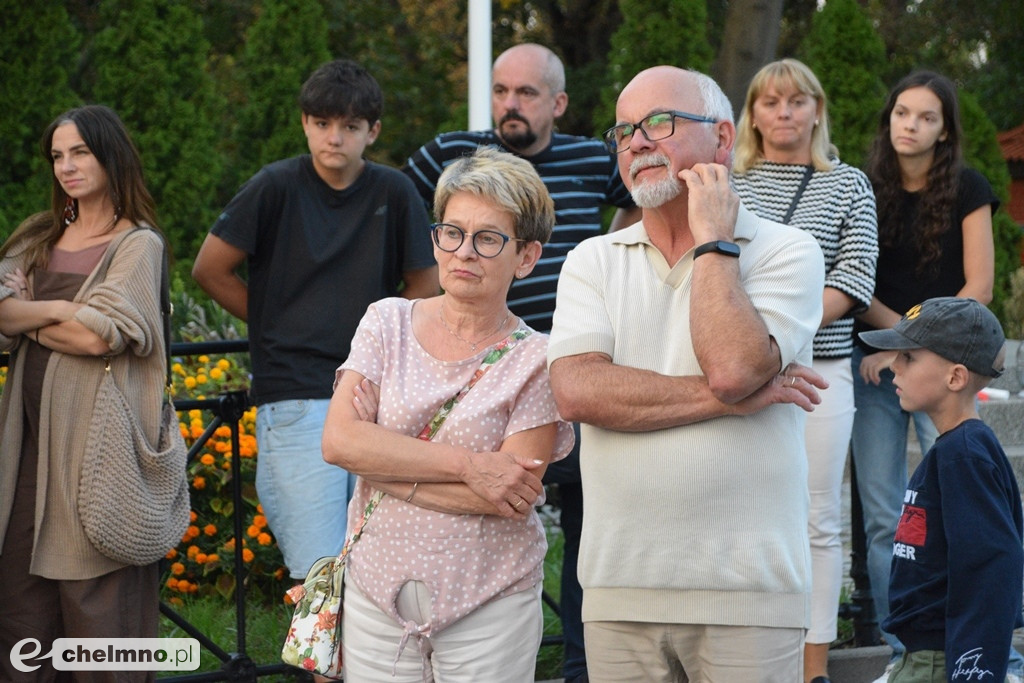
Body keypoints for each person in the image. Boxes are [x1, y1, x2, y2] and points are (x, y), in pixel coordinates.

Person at [548, 65, 827, 682]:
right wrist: (733, 402)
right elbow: (576, 391)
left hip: (749, 591)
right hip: (619, 590)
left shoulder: (788, 251)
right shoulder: (591, 260)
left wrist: (714, 242)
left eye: (659, 123)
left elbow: (732, 367)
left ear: (723, 140)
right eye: (623, 131)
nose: (637, 142)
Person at [403, 42, 640, 682]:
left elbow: (643, 199)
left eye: (527, 93)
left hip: (570, 364)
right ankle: (472, 637)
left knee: (589, 522)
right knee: (499, 502)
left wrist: (613, 256)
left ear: (557, 103)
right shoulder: (453, 155)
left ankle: (581, 666)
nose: (510, 104)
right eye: (502, 90)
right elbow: (404, 208)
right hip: (476, 368)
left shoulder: (594, 157)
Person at [321, 146, 574, 682]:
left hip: (490, 601)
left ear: (526, 257)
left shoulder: (538, 359)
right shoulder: (385, 322)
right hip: (373, 592)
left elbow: (513, 496)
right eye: (451, 232)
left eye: (488, 238)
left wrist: (382, 462)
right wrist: (468, 466)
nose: (464, 252)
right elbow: (340, 442)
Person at [192, 59, 439, 581]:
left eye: (350, 126)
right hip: (294, 395)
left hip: (375, 394)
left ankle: (371, 667)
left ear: (372, 132)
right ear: (305, 122)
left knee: (383, 561)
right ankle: (322, 667)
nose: (335, 137)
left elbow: (426, 282)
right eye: (323, 123)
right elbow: (210, 269)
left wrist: (385, 347)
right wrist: (273, 323)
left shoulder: (393, 193)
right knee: (318, 571)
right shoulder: (274, 186)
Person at [848, 70, 1023, 682]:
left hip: (943, 349)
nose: (910, 125)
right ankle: (906, 653)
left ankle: (993, 656)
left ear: (945, 129)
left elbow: (978, 287)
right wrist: (898, 350)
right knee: (887, 517)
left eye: (926, 116)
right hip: (884, 354)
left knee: (964, 498)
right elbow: (855, 280)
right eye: (901, 113)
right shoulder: (864, 187)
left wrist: (920, 344)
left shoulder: (968, 187)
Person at [0, 105, 167, 681]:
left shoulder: (137, 245)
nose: (66, 166)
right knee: (21, 608)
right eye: (56, 156)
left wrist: (25, 317)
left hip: (98, 455)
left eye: (80, 153)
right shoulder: (38, 237)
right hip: (27, 454)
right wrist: (59, 309)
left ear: (109, 154)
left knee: (99, 613)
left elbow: (99, 336)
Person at [731, 58, 878, 683]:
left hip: (823, 369)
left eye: (797, 101)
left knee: (818, 516)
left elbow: (855, 274)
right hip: (738, 371)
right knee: (743, 511)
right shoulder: (726, 184)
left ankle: (813, 666)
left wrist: (783, 335)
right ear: (753, 114)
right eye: (771, 102)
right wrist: (753, 349)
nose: (784, 113)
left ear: (817, 110)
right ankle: (747, 653)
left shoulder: (849, 185)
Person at [857, 296, 1023, 683]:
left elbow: (990, 566)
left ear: (955, 377)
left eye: (909, 358)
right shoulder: (955, 450)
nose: (893, 366)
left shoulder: (964, 457)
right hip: (924, 657)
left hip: (941, 663)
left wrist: (974, 669)